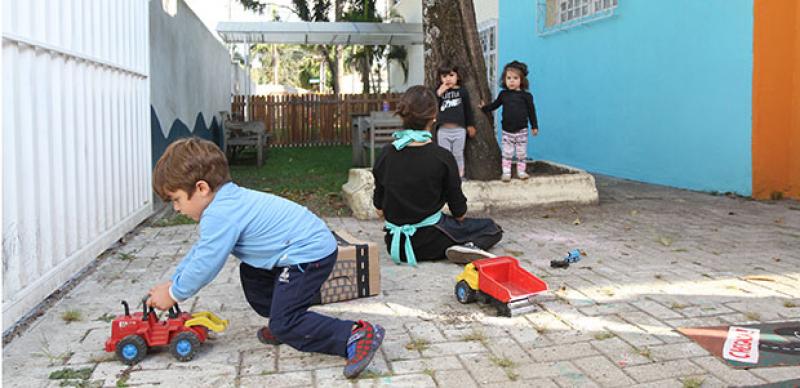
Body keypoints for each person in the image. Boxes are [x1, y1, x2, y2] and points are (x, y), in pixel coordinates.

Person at [147, 138, 384, 379]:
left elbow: (207, 263)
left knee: (285, 322)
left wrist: (175, 293)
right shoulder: (224, 202)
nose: (176, 208)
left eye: (176, 199)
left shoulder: (220, 213)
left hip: (308, 254)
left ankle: (354, 334)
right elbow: (201, 251)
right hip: (295, 249)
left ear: (201, 188)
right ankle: (287, 316)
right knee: (251, 273)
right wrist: (173, 282)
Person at [372, 86, 503, 266]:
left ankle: (459, 245)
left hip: (396, 244)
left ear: (403, 114)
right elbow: (460, 213)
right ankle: (467, 245)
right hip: (431, 239)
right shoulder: (442, 157)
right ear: (434, 116)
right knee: (492, 228)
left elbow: (379, 210)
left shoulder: (385, 154)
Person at [482, 61, 539, 182]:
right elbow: (495, 105)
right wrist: (484, 108)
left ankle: (521, 171)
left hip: (522, 130)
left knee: (521, 153)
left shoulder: (526, 96)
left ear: (522, 80)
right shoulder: (503, 95)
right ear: (504, 80)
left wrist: (534, 126)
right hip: (507, 130)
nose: (511, 81)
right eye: (508, 78)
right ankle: (506, 172)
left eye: (515, 78)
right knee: (507, 153)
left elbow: (531, 112)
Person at [435, 62, 477, 179]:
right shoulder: (439, 92)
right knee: (444, 155)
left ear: (457, 77)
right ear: (440, 78)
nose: (448, 79)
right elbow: (433, 107)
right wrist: (439, 93)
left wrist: (470, 125)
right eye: (444, 76)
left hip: (459, 130)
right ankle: (446, 177)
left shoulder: (462, 92)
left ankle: (459, 176)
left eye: (451, 75)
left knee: (458, 154)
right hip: (443, 131)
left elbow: (468, 109)